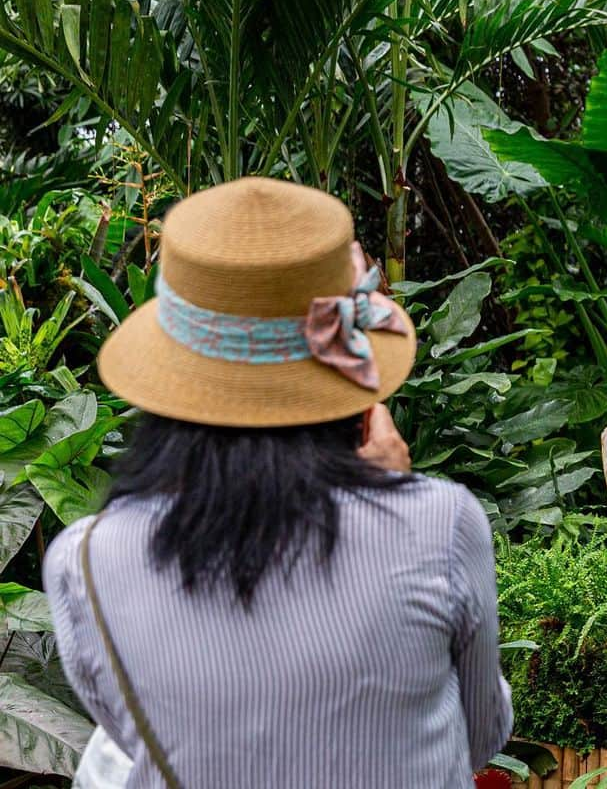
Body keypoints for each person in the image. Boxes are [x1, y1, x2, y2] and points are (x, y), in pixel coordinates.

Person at [43, 177, 513, 788]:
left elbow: (138, 734)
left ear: (172, 377)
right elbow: (481, 734)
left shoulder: (83, 560)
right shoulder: (443, 524)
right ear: (352, 384)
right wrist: (397, 497)